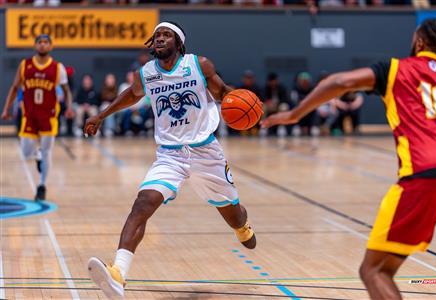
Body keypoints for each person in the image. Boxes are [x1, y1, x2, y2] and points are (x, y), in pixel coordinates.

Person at [261, 18, 436, 300]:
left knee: (374, 271)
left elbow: (339, 82)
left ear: (419, 41)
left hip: (423, 174)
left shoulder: (397, 69)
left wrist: (294, 115)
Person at [84, 21, 256, 299]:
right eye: (157, 36)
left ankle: (242, 226)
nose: (160, 39)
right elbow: (131, 95)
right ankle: (119, 274)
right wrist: (101, 115)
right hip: (170, 154)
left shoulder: (199, 65)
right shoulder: (147, 73)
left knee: (234, 215)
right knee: (142, 204)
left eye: (166, 35)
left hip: (206, 153)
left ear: (179, 43)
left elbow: (223, 93)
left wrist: (243, 102)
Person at [1, 34, 74, 201]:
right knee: (26, 152)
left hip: (48, 116)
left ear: (51, 46)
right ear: (35, 46)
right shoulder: (25, 65)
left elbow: (67, 90)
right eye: (39, 42)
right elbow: (14, 87)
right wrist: (6, 109)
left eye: (45, 42)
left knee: (47, 150)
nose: (42, 45)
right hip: (30, 116)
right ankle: (37, 155)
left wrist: (69, 107)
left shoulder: (57, 68)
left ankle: (42, 185)